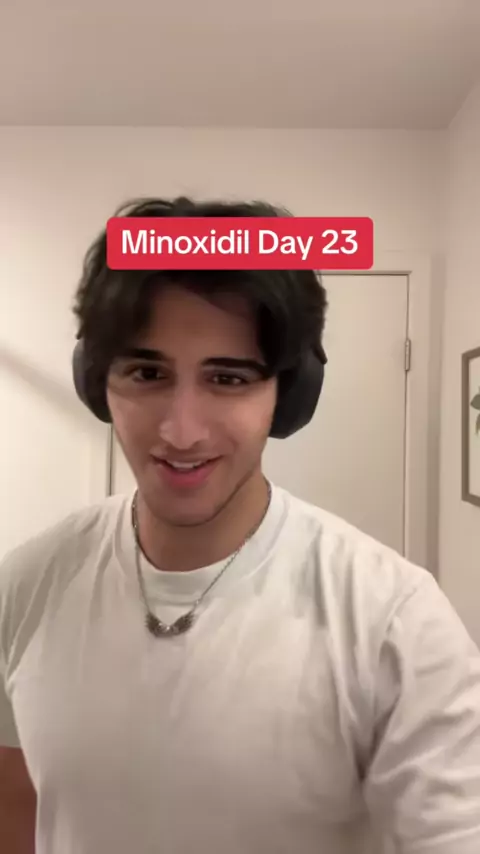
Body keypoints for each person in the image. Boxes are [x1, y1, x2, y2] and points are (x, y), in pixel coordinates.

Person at [1, 196, 480, 854]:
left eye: (227, 378)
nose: (181, 431)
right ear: (96, 382)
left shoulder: (394, 622)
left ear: (290, 394)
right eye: (147, 372)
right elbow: (16, 803)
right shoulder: (28, 584)